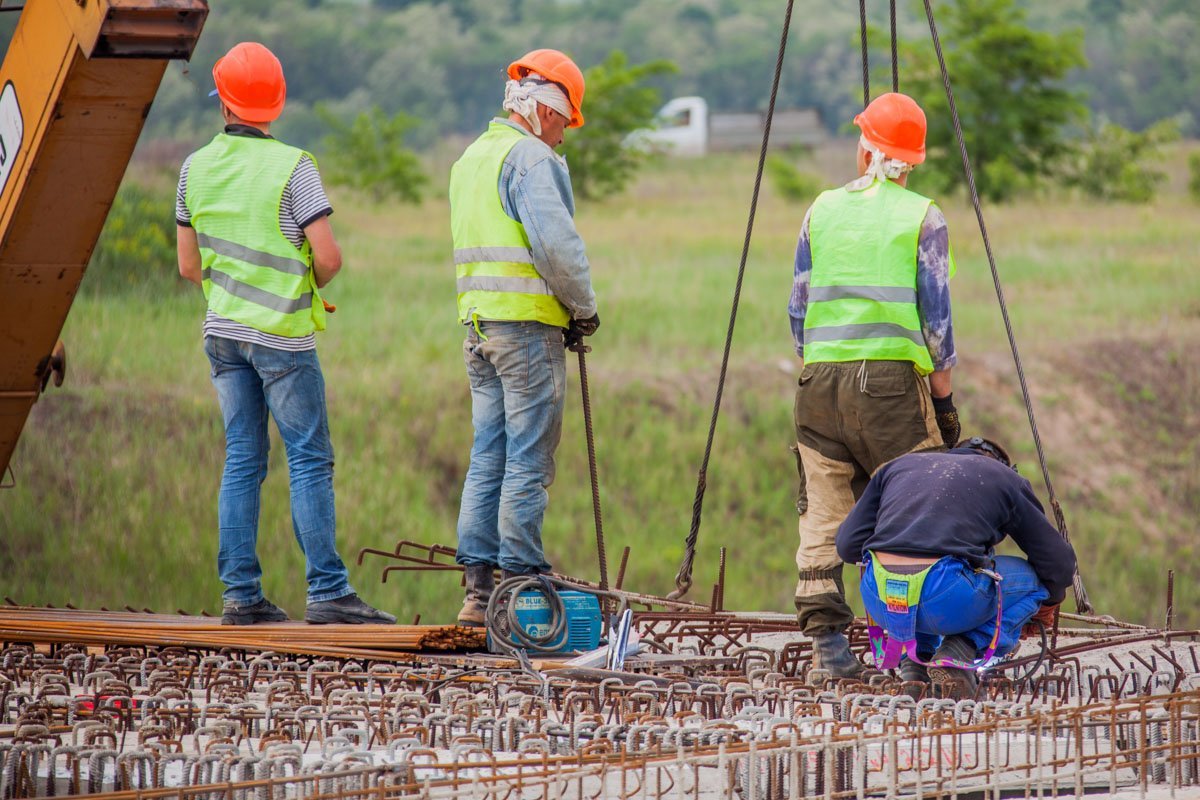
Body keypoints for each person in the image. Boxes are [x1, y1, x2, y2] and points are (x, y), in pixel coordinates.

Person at [177, 42, 394, 626]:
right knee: (309, 458)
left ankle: (240, 598)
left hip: (222, 335)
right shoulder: (294, 166)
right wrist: (306, 278)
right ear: (277, 103)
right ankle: (327, 592)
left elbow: (188, 266)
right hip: (282, 338)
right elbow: (329, 256)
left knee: (243, 459)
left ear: (222, 100)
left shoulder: (193, 167)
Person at [788, 92, 961, 677]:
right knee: (915, 512)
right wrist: (945, 401)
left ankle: (829, 652)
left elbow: (798, 308)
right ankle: (912, 659)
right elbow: (937, 326)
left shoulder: (820, 209)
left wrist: (822, 365)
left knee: (822, 510)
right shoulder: (923, 216)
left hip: (819, 382)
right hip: (890, 389)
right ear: (909, 163)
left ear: (864, 149)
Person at [449, 49, 600, 627]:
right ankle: (521, 577)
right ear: (543, 109)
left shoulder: (471, 158)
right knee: (530, 456)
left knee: (489, 451)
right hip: (527, 330)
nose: (563, 136)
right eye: (564, 121)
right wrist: (583, 309)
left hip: (479, 328)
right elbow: (557, 248)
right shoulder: (531, 158)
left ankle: (479, 589)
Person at [835, 437, 1077, 696]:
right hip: (947, 598)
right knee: (1031, 579)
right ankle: (960, 649)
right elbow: (1059, 563)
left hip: (881, 599)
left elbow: (848, 545)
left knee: (915, 576)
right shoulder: (1004, 478)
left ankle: (915, 663)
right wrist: (1044, 606)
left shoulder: (897, 467)